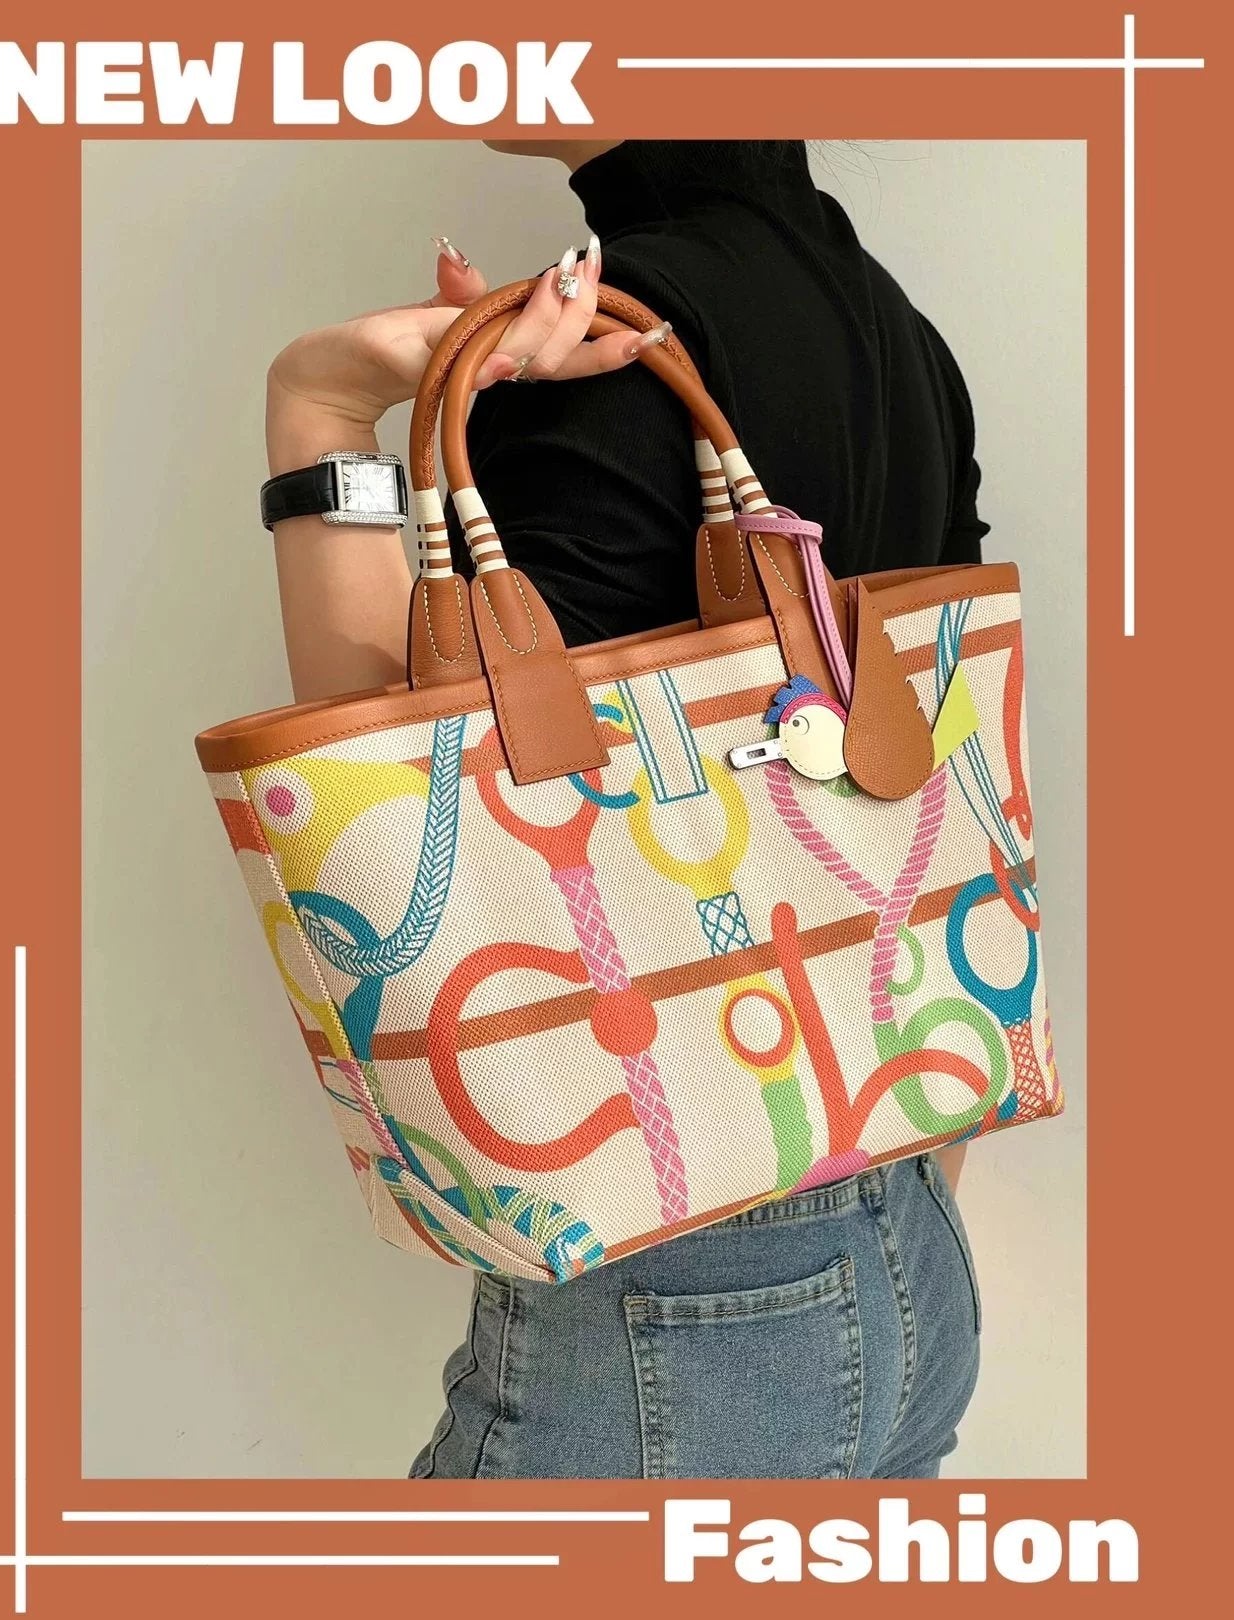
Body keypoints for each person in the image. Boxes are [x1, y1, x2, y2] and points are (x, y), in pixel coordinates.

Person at [265, 140, 985, 1480]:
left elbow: (389, 813)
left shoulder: (616, 342)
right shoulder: (891, 322)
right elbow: (938, 783)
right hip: (910, 1231)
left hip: (681, 1288)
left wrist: (320, 411)